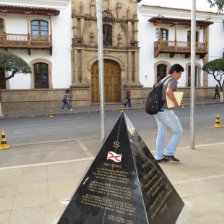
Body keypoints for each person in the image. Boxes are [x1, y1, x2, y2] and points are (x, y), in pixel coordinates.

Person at [154, 64, 184, 163]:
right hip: (165, 111)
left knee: (161, 132)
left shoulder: (163, 79)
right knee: (178, 130)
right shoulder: (172, 80)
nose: (180, 76)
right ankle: (168, 153)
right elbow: (168, 91)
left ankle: (159, 156)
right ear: (175, 72)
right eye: (180, 73)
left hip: (157, 110)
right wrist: (175, 102)